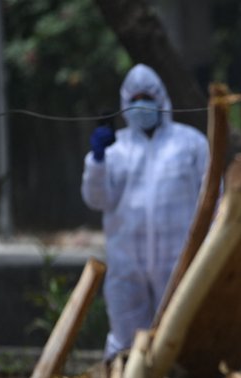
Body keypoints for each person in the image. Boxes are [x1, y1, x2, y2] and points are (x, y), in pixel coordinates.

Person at [81, 63, 209, 359]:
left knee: (178, 339)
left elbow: (212, 200)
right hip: (127, 264)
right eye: (135, 97)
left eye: (147, 97)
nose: (142, 104)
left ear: (161, 98)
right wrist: (97, 160)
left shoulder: (190, 143)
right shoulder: (115, 150)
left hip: (179, 261)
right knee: (126, 343)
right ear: (125, 102)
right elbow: (96, 198)